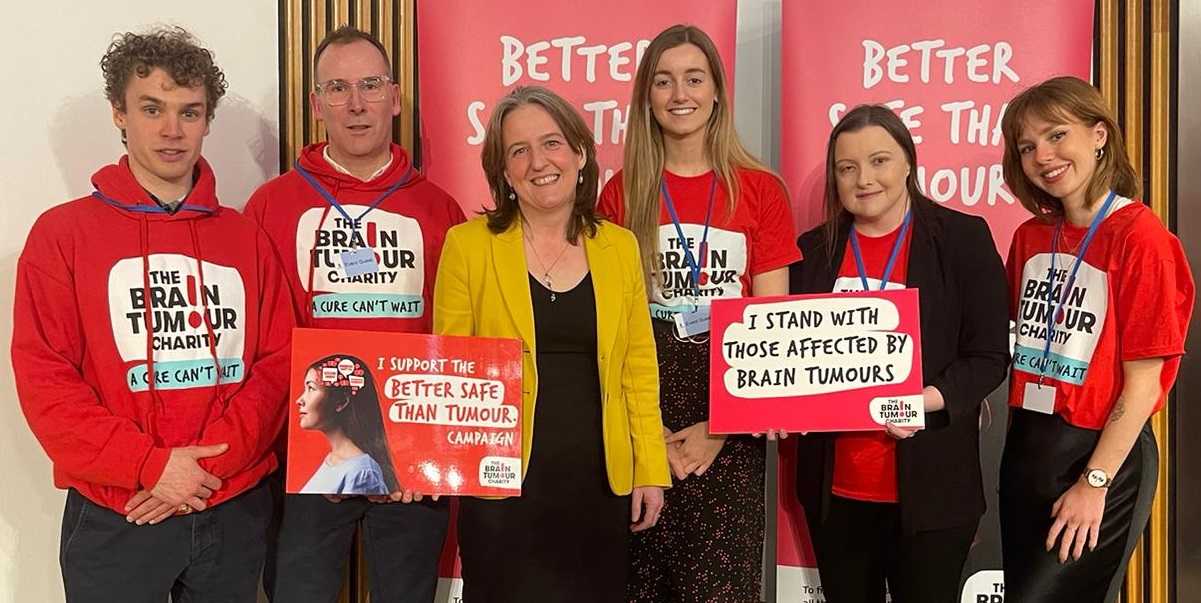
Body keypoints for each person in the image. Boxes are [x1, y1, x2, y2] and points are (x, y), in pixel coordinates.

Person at [11, 27, 293, 602]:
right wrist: (149, 465)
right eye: (152, 108)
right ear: (119, 114)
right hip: (119, 513)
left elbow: (278, 365)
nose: (172, 130)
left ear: (208, 120)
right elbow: (46, 380)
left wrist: (201, 471)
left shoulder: (247, 238)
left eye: (189, 111)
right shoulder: (61, 236)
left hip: (232, 508)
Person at [245, 25, 464, 603]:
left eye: (370, 85)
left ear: (395, 97)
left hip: (413, 465)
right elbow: (257, 339)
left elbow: (456, 336)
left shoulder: (441, 208)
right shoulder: (271, 205)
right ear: (316, 105)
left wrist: (413, 450)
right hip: (304, 461)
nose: (357, 104)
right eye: (339, 89)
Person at [433, 85, 670, 602]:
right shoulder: (467, 246)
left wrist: (650, 468)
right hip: (500, 487)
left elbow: (637, 369)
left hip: (599, 487)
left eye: (553, 143)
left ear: (581, 153)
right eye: (519, 151)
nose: (539, 161)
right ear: (503, 170)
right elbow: (449, 369)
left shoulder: (619, 247)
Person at [597, 24, 800, 601]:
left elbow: (775, 329)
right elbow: (612, 329)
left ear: (716, 91)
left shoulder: (761, 191)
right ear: (647, 97)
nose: (679, 93)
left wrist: (721, 425)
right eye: (663, 81)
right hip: (646, 411)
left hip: (731, 412)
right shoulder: (620, 193)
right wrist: (649, 434)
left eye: (693, 78)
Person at [789, 104, 1010, 602]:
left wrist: (923, 399)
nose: (864, 179)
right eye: (847, 168)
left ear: (908, 162)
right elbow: (788, 360)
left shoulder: (962, 239)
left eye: (879, 161)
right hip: (836, 494)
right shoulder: (810, 253)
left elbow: (990, 355)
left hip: (933, 493)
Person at [998, 76, 1194, 603]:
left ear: (1099, 135)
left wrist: (1095, 483)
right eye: (1028, 146)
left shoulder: (1140, 237)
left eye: (1057, 135)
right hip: (1028, 448)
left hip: (1100, 453)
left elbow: (1146, 381)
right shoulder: (1030, 237)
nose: (1043, 155)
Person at [296, 354, 398, 496]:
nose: (299, 400)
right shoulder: (333, 460)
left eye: (311, 389)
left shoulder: (362, 472)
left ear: (341, 402)